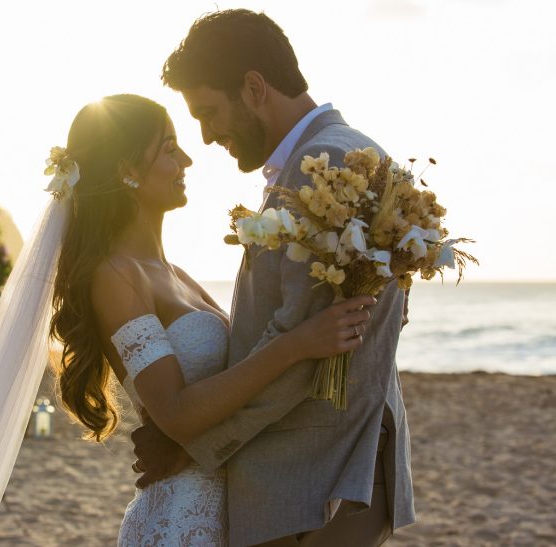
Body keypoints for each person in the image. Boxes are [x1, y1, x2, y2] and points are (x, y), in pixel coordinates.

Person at [0, 93, 374, 547]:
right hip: (181, 521)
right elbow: (174, 412)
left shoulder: (176, 275)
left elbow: (228, 390)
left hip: (233, 509)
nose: (188, 160)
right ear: (127, 171)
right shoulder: (116, 276)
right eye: (170, 149)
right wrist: (296, 344)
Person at [130, 9, 416, 546]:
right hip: (322, 480)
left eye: (209, 112)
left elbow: (303, 352)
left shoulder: (326, 163)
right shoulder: (332, 156)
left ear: (255, 87)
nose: (208, 136)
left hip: (312, 486)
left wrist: (192, 441)